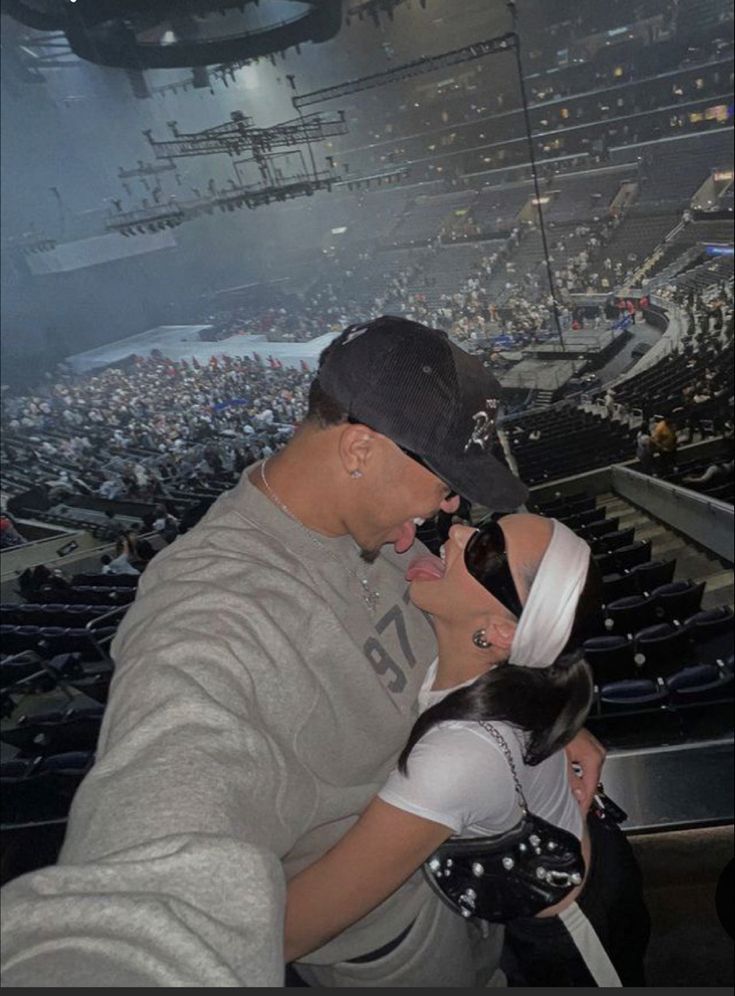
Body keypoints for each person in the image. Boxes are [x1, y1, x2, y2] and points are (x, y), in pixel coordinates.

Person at [0, 317, 605, 988]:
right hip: (387, 948)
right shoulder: (212, 616)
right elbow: (151, 875)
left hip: (463, 893)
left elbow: (482, 631)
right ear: (359, 448)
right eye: (445, 478)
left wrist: (543, 716)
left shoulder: (382, 528)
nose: (453, 505)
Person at [285, 515, 650, 987]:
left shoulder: (457, 759)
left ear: (500, 633)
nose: (456, 531)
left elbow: (294, 929)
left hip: (574, 923)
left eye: (485, 550)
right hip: (573, 855)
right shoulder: (491, 671)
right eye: (480, 528)